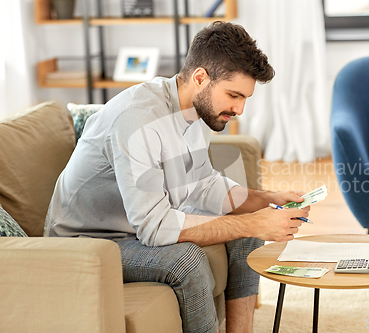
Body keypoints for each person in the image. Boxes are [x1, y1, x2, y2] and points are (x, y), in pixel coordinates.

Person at [44, 21, 310, 333]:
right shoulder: (138, 119)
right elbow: (154, 227)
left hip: (130, 227)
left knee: (247, 223)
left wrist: (265, 201)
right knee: (187, 261)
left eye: (244, 98)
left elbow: (202, 184)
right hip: (85, 242)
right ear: (201, 78)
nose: (239, 108)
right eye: (234, 95)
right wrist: (254, 221)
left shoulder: (196, 110)